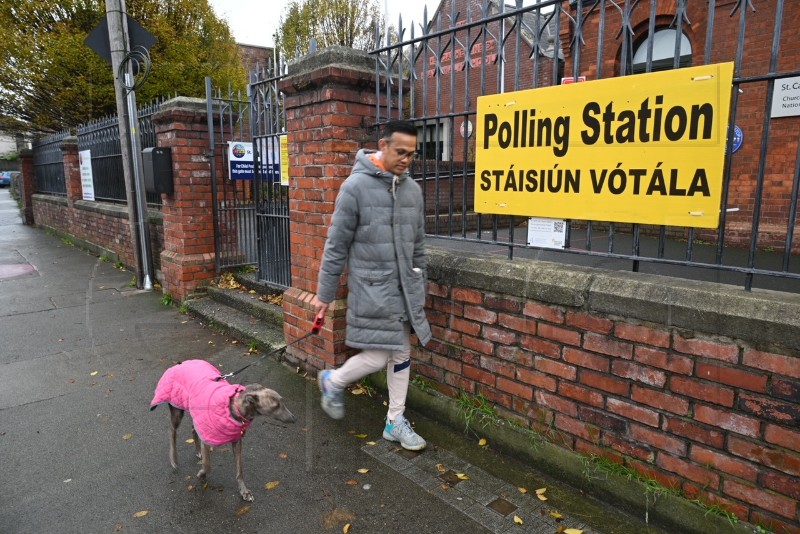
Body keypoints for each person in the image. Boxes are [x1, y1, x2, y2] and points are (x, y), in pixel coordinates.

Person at [312, 120, 432, 451]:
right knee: (380, 356)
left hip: (405, 289)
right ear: (383, 145)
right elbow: (336, 246)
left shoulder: (413, 191)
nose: (406, 159)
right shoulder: (355, 188)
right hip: (372, 290)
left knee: (402, 352)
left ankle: (395, 421)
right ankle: (332, 381)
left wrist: (419, 280)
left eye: (412, 153)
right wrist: (324, 295)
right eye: (400, 151)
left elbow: (418, 245)